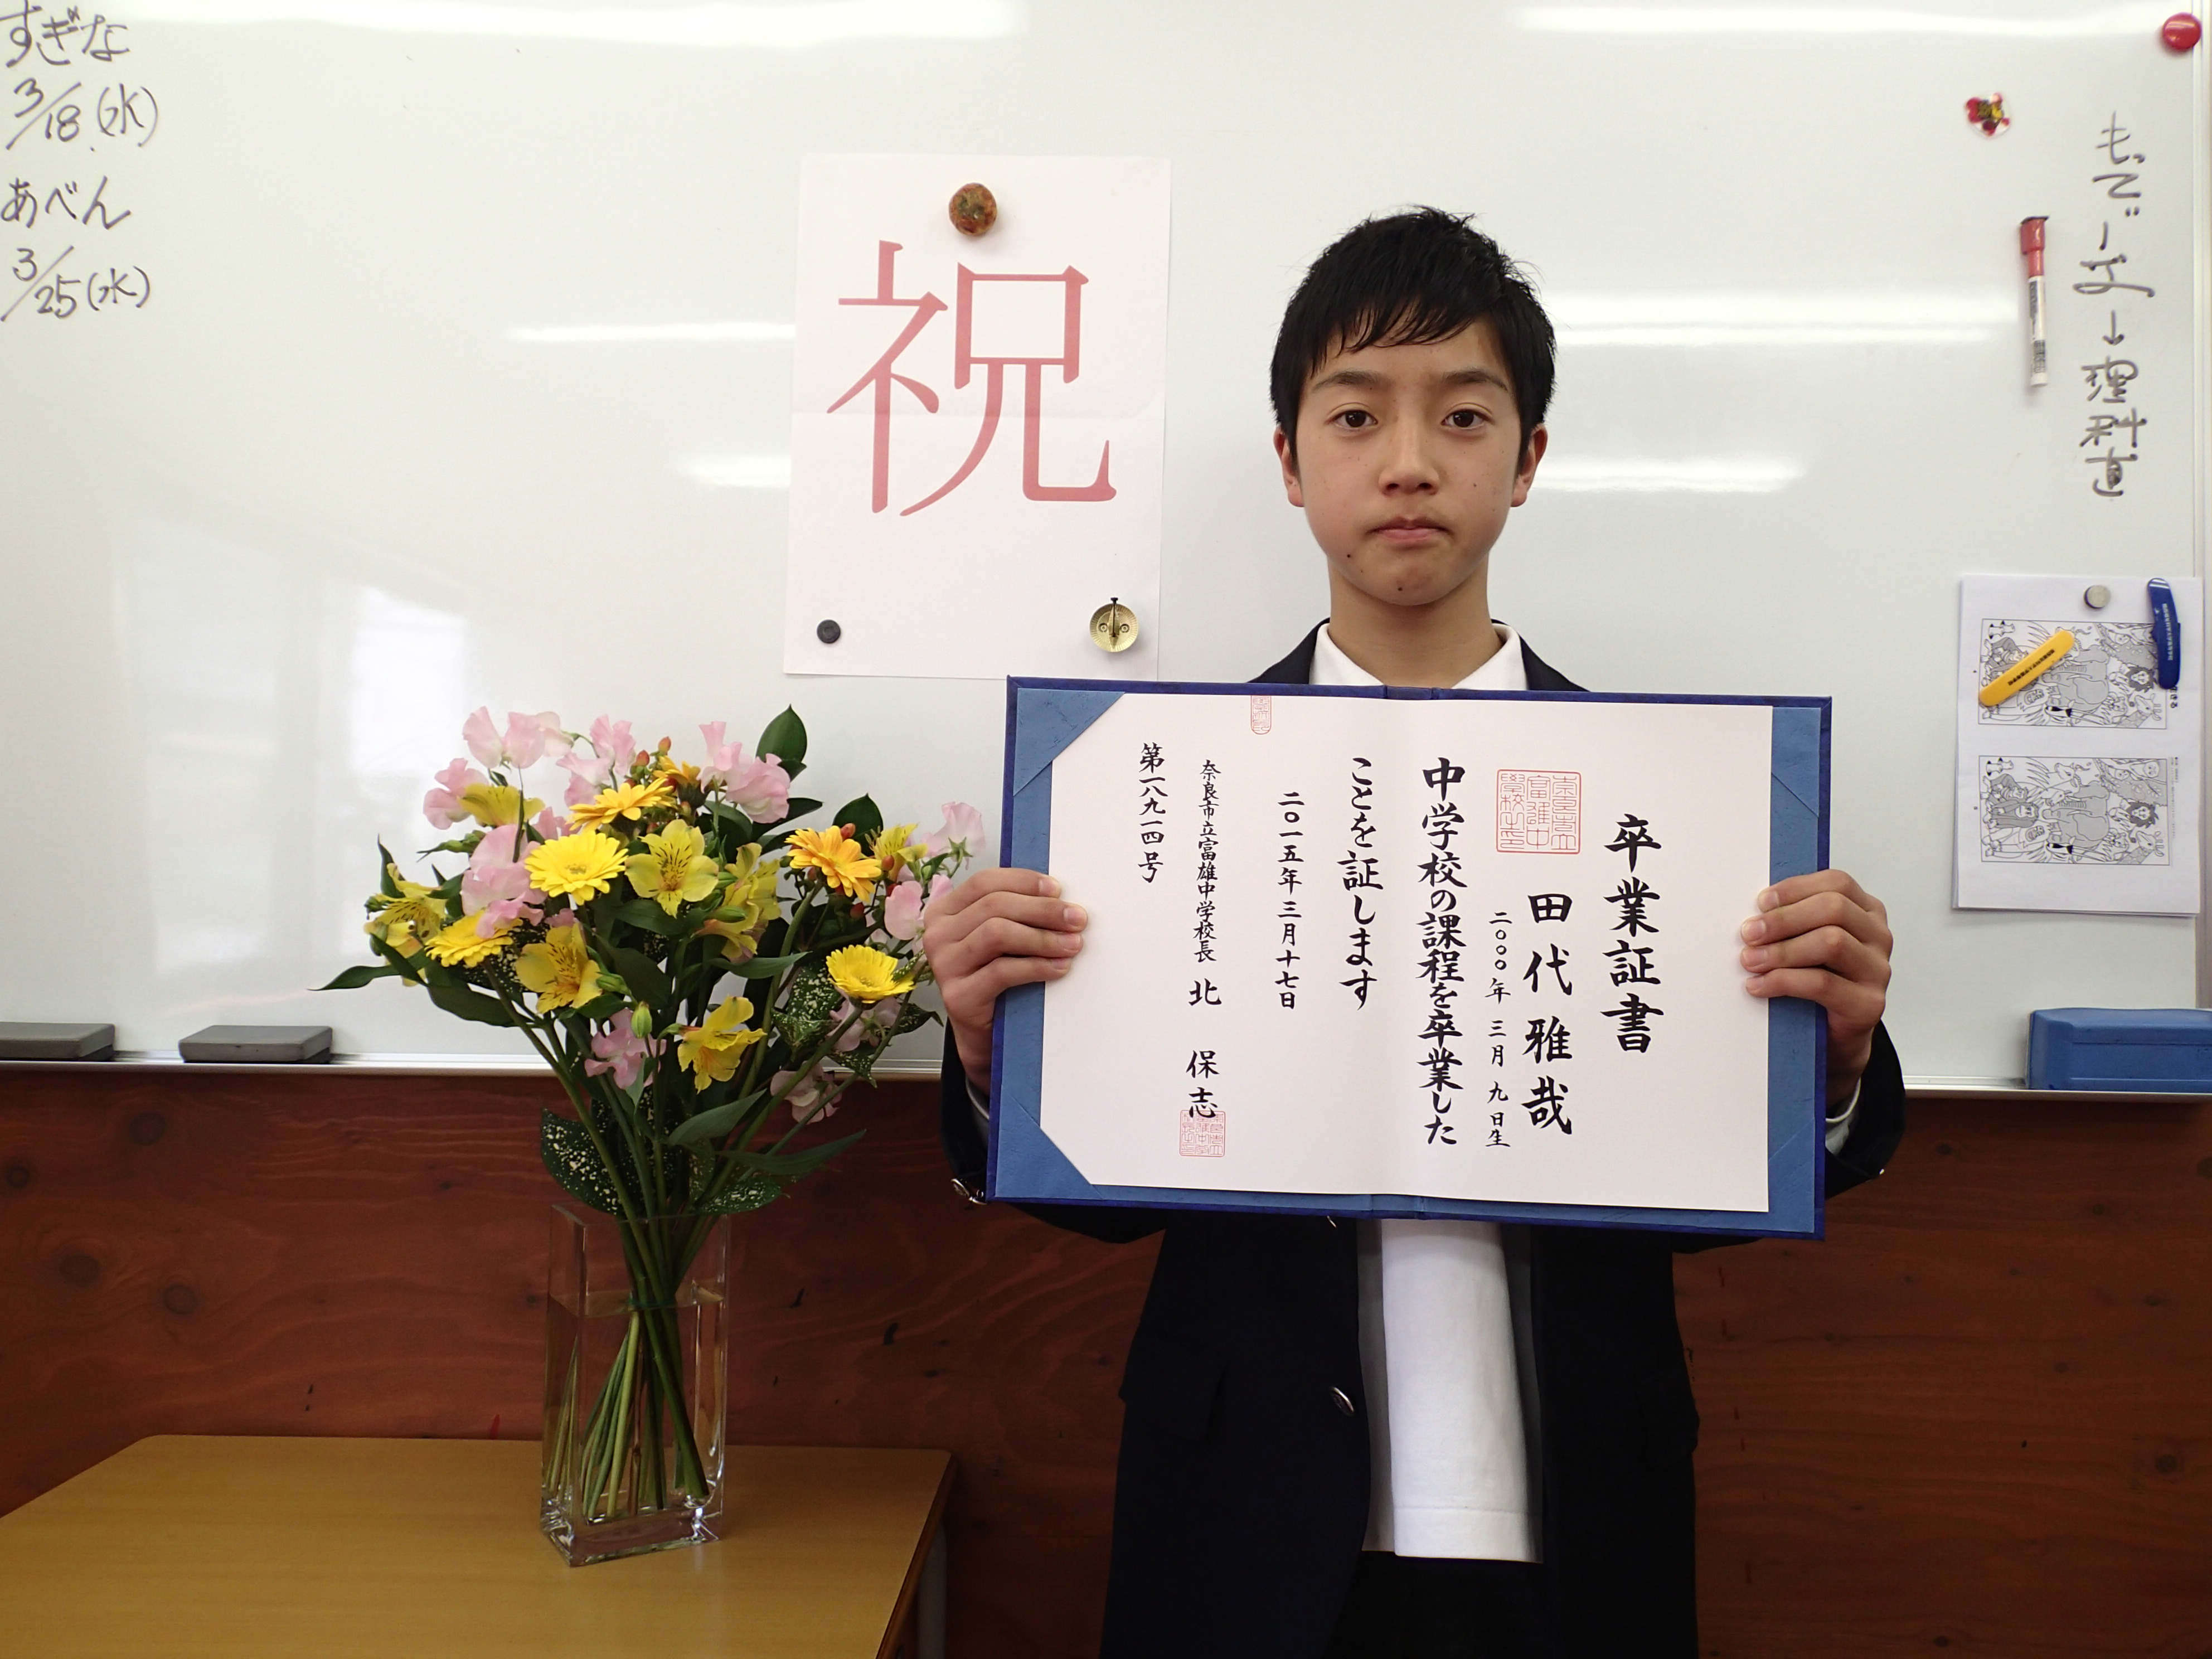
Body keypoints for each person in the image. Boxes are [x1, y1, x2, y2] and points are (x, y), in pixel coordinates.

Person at [921, 208, 1904, 1658]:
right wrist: (991, 1052)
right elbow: (1112, 1195)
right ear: (1289, 460)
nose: (1408, 461)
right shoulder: (1155, 790)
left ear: (1528, 457)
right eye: (1355, 414)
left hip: (1571, 1523)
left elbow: (1708, 1180)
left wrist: (1829, 1064)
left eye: (1462, 415)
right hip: (1248, 1514)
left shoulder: (1676, 801)